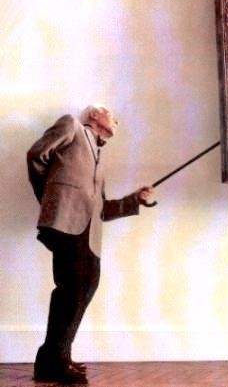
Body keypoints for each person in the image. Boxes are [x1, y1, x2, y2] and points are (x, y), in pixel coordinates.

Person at [27, 105, 154, 384]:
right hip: (65, 221)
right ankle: (54, 360)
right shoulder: (71, 126)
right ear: (94, 115)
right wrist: (52, 199)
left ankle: (54, 357)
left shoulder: (100, 157)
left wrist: (135, 200)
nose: (116, 120)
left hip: (88, 231)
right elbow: (36, 155)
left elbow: (101, 209)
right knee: (74, 287)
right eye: (112, 115)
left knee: (81, 286)